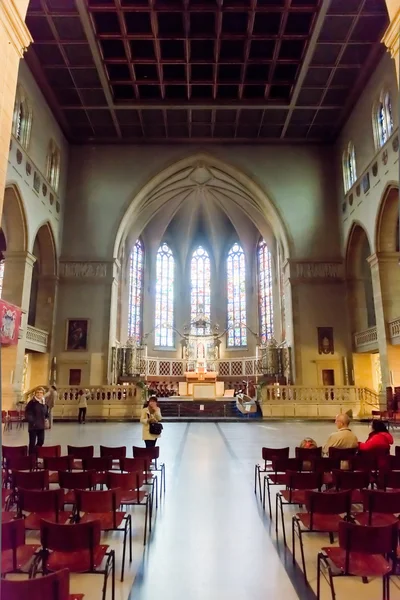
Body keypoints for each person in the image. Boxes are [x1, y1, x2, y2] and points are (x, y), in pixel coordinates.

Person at [25, 387, 49, 454]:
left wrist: (47, 418)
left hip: (41, 426)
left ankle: (34, 454)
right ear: (35, 394)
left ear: (43, 394)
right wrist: (32, 421)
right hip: (33, 427)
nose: (39, 394)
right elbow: (27, 413)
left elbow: (46, 413)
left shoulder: (44, 403)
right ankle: (31, 459)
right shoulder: (31, 403)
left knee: (41, 441)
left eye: (41, 393)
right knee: (32, 443)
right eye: (37, 392)